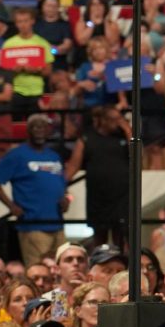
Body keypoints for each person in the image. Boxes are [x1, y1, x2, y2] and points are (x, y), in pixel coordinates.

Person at [0, 115, 69, 267]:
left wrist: (65, 198)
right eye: (36, 127)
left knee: (61, 270)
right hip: (33, 225)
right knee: (39, 271)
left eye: (43, 127)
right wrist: (11, 206)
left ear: (48, 131)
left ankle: (59, 294)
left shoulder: (54, 156)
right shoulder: (17, 155)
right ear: (28, 130)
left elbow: (62, 183)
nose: (40, 131)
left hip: (57, 223)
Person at [63, 104, 130, 250]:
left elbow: (138, 156)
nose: (118, 122)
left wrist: (127, 130)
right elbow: (73, 166)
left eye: (120, 119)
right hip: (98, 196)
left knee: (122, 236)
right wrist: (61, 184)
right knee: (99, 237)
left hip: (121, 196)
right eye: (114, 119)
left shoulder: (123, 137)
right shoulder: (87, 138)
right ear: (103, 120)